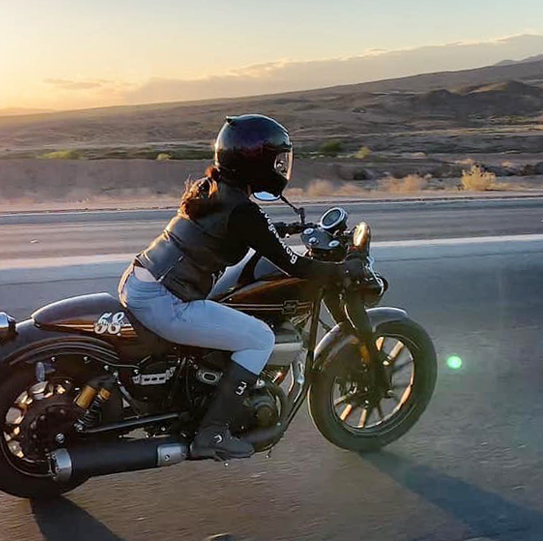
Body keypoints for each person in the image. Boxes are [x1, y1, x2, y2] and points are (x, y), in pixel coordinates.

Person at [119, 114, 365, 460]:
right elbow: (291, 264)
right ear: (258, 162)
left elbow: (234, 230)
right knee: (260, 338)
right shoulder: (242, 211)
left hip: (141, 280)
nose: (281, 167)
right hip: (167, 301)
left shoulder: (211, 188)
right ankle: (213, 433)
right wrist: (339, 269)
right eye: (278, 160)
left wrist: (280, 228)